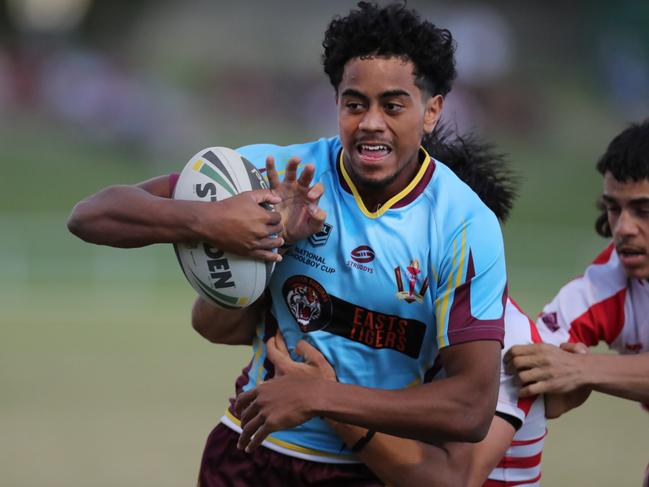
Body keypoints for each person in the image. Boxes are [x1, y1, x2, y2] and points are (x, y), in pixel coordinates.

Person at [68, 3, 508, 485]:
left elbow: (470, 408)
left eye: (393, 105)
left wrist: (321, 397)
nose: (371, 123)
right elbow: (92, 215)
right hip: (251, 452)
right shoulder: (274, 173)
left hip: (370, 468)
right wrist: (217, 222)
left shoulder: (463, 223)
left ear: (432, 111)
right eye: (354, 103)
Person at [215, 134, 548, 487]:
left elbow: (452, 479)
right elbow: (214, 326)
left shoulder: (508, 342)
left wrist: (323, 398)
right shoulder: (375, 292)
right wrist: (266, 247)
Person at [506, 119, 649, 482]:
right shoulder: (606, 284)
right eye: (614, 208)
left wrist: (585, 370)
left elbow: (573, 370)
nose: (624, 228)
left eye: (643, 211)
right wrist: (557, 381)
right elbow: (535, 376)